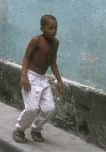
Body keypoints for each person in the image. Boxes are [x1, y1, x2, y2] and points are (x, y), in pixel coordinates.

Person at [12, 14, 64, 143]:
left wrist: (59, 80)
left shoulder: (56, 43)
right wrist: (24, 76)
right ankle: (19, 130)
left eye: (55, 28)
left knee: (49, 109)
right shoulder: (36, 40)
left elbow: (53, 62)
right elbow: (27, 57)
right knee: (32, 108)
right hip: (30, 76)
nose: (53, 31)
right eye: (50, 28)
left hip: (42, 79)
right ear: (42, 28)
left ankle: (36, 129)